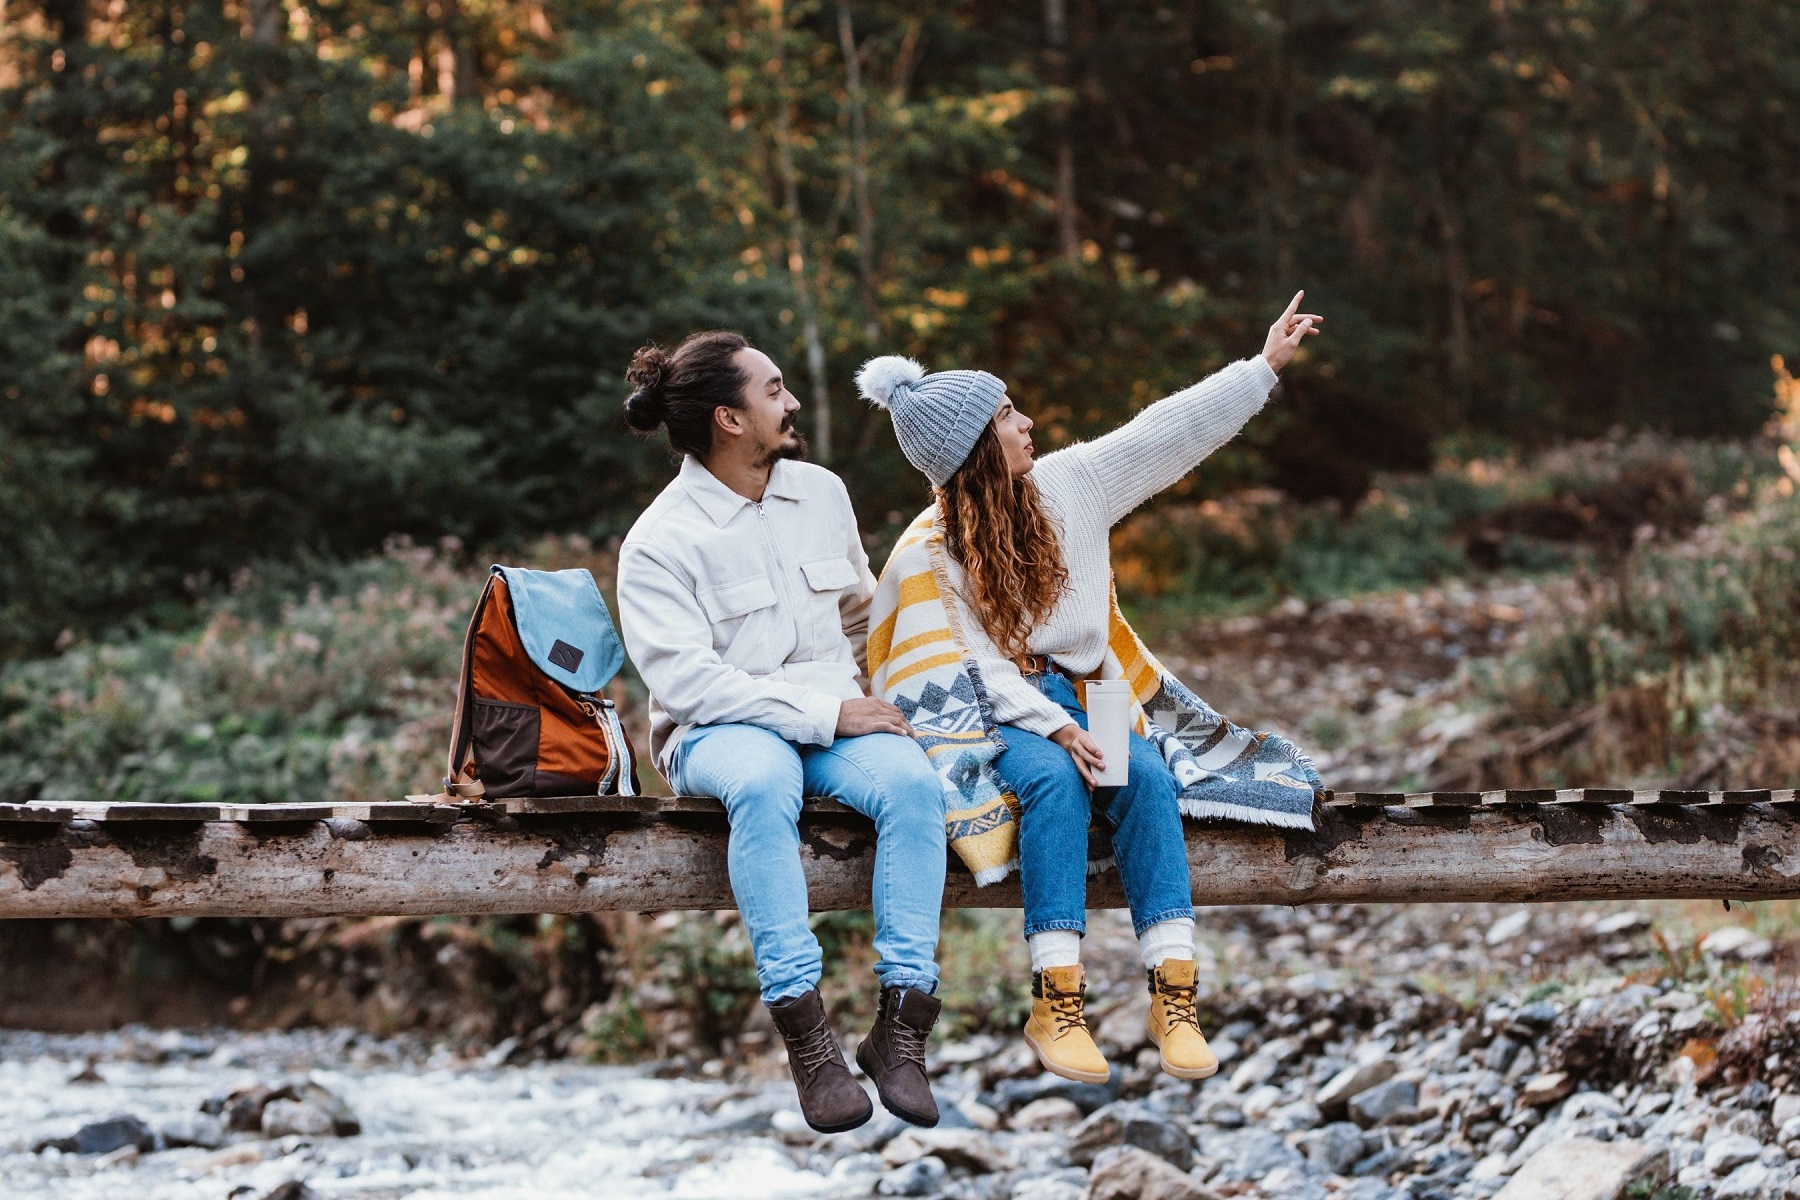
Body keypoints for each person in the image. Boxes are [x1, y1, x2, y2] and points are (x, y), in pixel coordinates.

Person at [861, 294, 1325, 1085]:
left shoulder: (1072, 483)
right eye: (1008, 416)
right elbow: (974, 671)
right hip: (1005, 711)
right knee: (1053, 785)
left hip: (1090, 691)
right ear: (975, 445)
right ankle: (1056, 999)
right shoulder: (932, 552)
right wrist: (1056, 729)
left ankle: (1174, 995)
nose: (1027, 423)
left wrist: (1263, 367)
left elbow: (1162, 435)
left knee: (1145, 779)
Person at [615, 330, 948, 1133]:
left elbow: (864, 613)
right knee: (765, 780)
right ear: (730, 419)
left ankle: (902, 1027)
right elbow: (687, 683)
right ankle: (808, 1037)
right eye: (774, 391)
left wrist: (926, 697)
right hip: (715, 732)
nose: (790, 402)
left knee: (911, 784)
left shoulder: (821, 493)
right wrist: (829, 714)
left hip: (836, 714)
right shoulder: (659, 541)